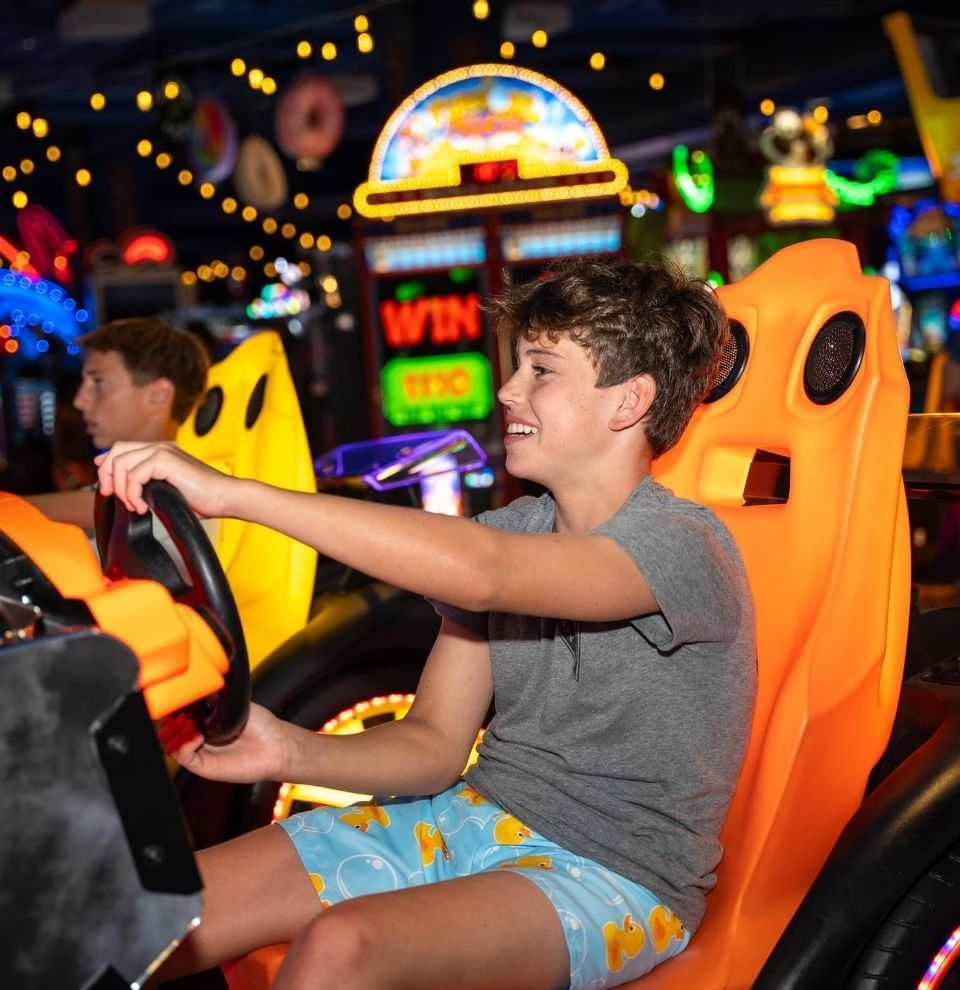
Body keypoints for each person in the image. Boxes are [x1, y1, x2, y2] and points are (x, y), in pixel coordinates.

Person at [97, 257, 757, 990]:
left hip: (613, 876)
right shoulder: (514, 527)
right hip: (465, 817)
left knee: (343, 948)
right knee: (141, 911)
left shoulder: (685, 544)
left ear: (629, 401)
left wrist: (233, 494)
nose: (507, 389)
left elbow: (485, 570)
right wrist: (288, 750)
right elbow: (435, 744)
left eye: (541, 369)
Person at [27, 316, 209, 531]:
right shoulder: (118, 481)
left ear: (159, 394)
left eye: (99, 383)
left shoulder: (198, 482)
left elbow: (127, 507)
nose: (79, 400)